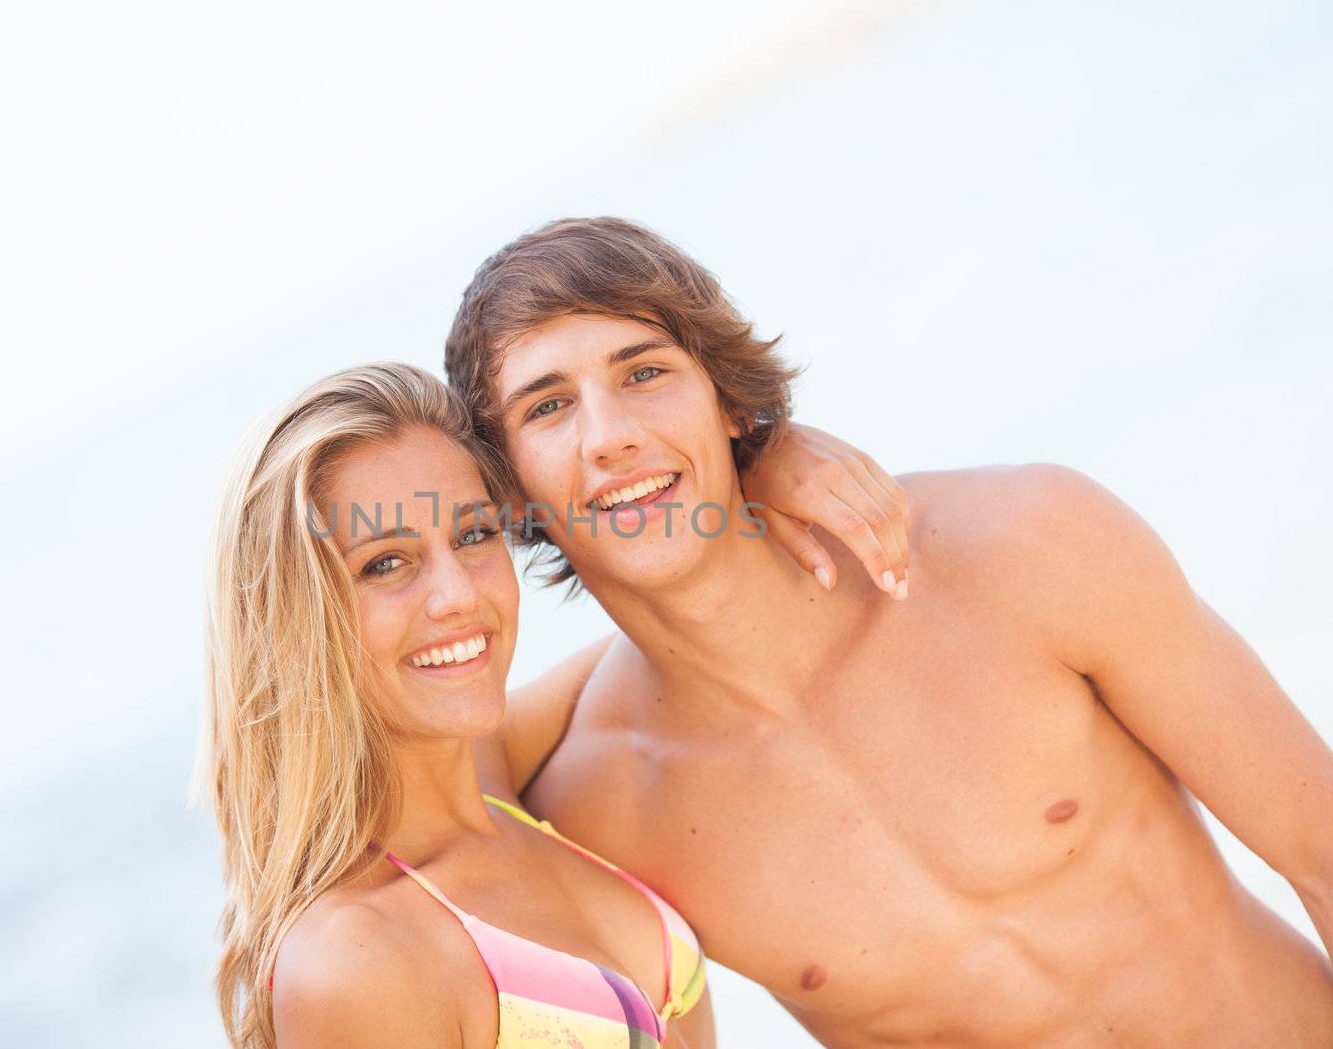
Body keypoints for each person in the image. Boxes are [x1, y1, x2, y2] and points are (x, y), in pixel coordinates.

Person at [444, 216, 1333, 1046]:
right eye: (547, 407)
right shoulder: (592, 804)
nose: (611, 437)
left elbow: (1318, 844)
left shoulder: (1025, 544)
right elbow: (387, 796)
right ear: (509, 490)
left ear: (726, 399)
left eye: (645, 373)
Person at [194, 362, 912, 1048]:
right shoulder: (353, 958)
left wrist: (759, 461)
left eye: (474, 534)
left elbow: (701, 636)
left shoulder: (489, 779)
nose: (459, 595)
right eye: (386, 563)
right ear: (292, 618)